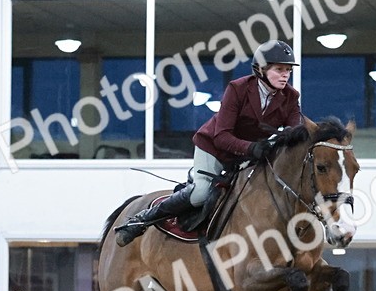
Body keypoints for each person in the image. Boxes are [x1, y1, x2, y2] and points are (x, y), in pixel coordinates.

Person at [114, 40, 303, 247]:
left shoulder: (291, 96)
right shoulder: (238, 89)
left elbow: (294, 134)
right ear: (261, 69)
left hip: (249, 156)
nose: (285, 75)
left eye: (288, 70)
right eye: (279, 69)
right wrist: (251, 148)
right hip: (214, 148)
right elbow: (221, 136)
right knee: (201, 194)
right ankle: (143, 219)